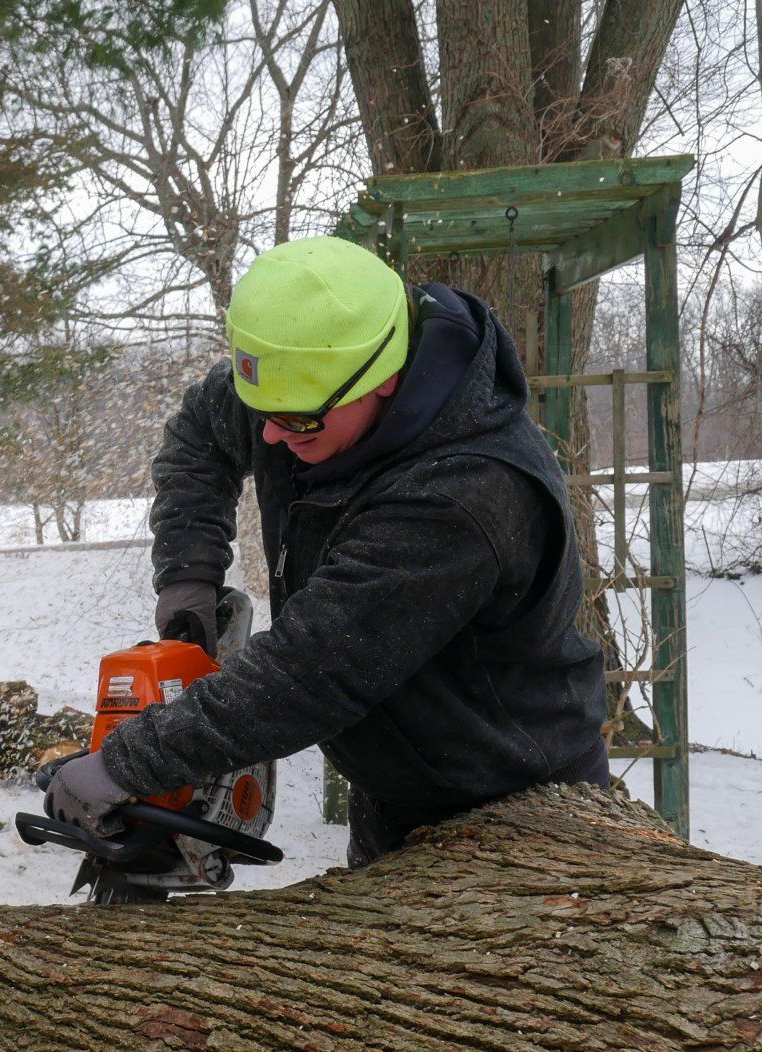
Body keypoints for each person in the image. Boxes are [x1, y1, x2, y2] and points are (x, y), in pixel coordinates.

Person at [47, 235, 609, 867]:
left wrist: (126, 764)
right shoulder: (299, 388)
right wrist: (189, 575)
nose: (270, 434)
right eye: (263, 411)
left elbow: (312, 670)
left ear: (385, 378)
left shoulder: (462, 494)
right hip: (394, 788)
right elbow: (201, 434)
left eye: (297, 422)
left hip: (512, 807)